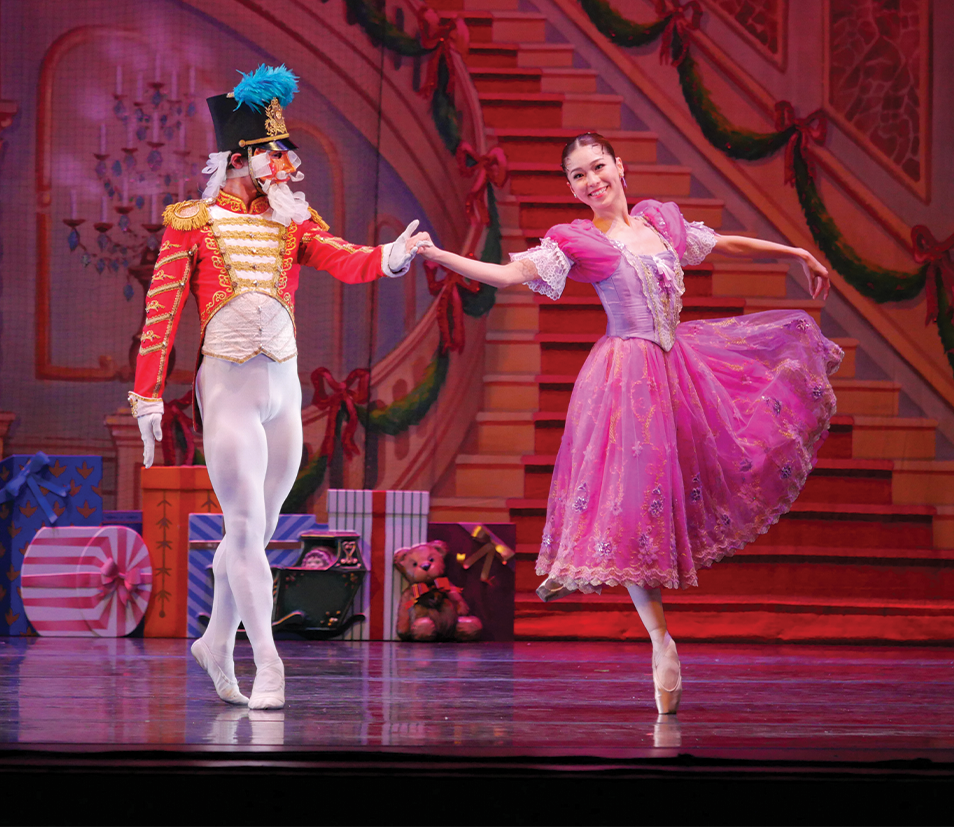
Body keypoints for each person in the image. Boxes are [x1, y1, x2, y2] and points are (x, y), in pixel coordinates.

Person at [416, 132, 841, 714]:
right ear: (571, 188)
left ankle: (585, 569)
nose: (591, 181)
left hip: (678, 369)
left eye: (597, 167)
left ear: (619, 166)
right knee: (635, 501)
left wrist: (795, 253)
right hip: (626, 378)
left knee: (702, 475)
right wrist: (438, 255)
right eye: (578, 175)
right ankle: (660, 641)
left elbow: (724, 243)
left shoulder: (660, 225)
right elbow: (509, 275)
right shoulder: (580, 242)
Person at [127, 65, 429, 709]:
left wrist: (390, 256)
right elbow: (161, 311)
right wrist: (147, 393)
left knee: (256, 533)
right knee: (241, 526)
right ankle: (266, 660)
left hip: (282, 392)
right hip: (228, 391)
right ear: (240, 159)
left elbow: (343, 257)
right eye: (274, 151)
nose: (286, 161)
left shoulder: (294, 220)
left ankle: (214, 640)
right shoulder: (193, 221)